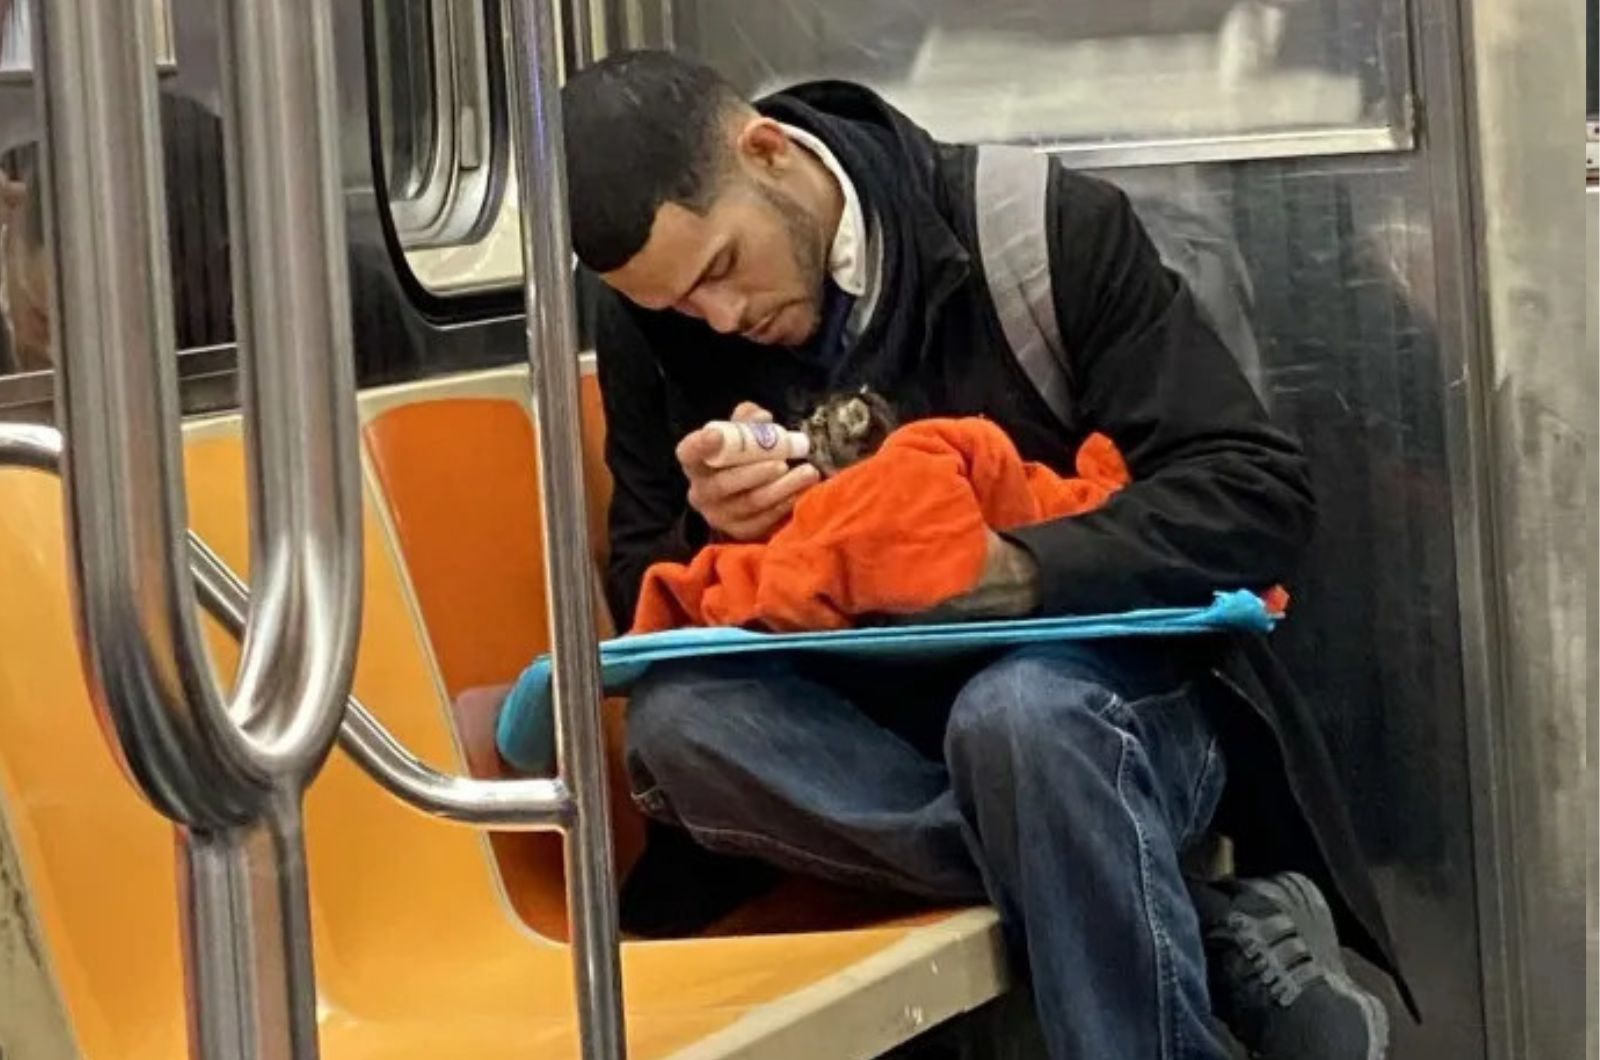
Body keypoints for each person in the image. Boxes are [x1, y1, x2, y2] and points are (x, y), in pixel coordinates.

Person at [563, 50, 1410, 1060]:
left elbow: (1253, 491)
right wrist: (718, 531)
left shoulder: (1038, 230)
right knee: (679, 730)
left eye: (720, 270)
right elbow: (638, 593)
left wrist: (1015, 569)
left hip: (1096, 701)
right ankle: (1196, 911)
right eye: (679, 307)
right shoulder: (655, 323)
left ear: (769, 153)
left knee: (1020, 722)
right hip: (855, 736)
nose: (721, 319)